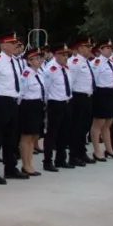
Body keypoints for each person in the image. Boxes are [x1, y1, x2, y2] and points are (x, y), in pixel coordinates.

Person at [0, 32, 28, 183]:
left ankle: (11, 168)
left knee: (12, 138)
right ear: (2, 45)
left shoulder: (15, 61)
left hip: (13, 102)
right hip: (0, 101)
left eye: (16, 42)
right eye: (11, 42)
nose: (15, 45)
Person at [42, 43, 73, 172]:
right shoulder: (51, 69)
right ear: (56, 55)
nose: (66, 57)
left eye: (67, 54)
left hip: (66, 102)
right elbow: (46, 88)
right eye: (63, 54)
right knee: (52, 133)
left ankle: (61, 159)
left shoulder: (65, 68)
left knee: (64, 132)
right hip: (55, 103)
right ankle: (48, 161)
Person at [66, 38, 96, 166]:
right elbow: (70, 82)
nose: (90, 49)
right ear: (79, 49)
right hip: (78, 97)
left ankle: (82, 152)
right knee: (77, 128)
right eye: (87, 47)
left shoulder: (85, 62)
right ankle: (74, 155)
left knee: (85, 126)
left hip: (87, 97)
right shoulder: (75, 62)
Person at [90, 40, 113, 161]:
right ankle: (97, 151)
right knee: (98, 123)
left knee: (108, 123)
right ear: (100, 50)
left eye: (110, 48)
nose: (109, 50)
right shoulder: (97, 63)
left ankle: (109, 149)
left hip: (111, 92)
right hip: (101, 93)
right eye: (106, 48)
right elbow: (95, 80)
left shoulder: (110, 62)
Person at [17, 46, 46, 175]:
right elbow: (20, 94)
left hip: (38, 105)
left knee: (34, 136)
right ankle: (25, 165)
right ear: (29, 61)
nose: (40, 61)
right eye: (36, 58)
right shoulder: (26, 74)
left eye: (40, 58)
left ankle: (30, 163)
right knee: (27, 137)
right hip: (28, 106)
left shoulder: (39, 73)